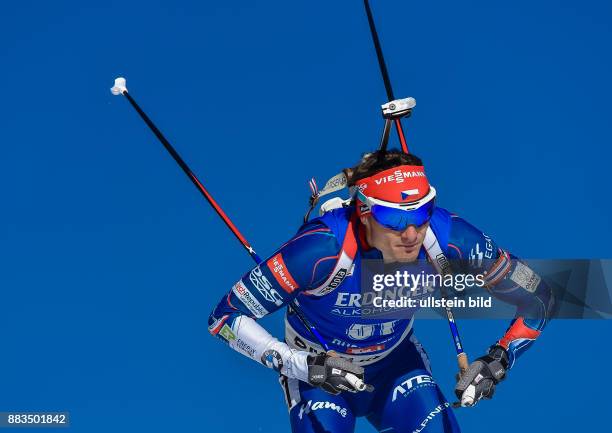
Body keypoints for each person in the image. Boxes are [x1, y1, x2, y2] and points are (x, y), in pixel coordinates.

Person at [208, 150, 553, 433]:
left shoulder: (451, 239)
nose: (411, 233)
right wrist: (303, 365)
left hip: (396, 366)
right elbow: (223, 318)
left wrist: (497, 361)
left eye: (423, 213)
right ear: (364, 212)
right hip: (319, 375)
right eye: (395, 219)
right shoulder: (320, 249)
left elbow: (539, 297)